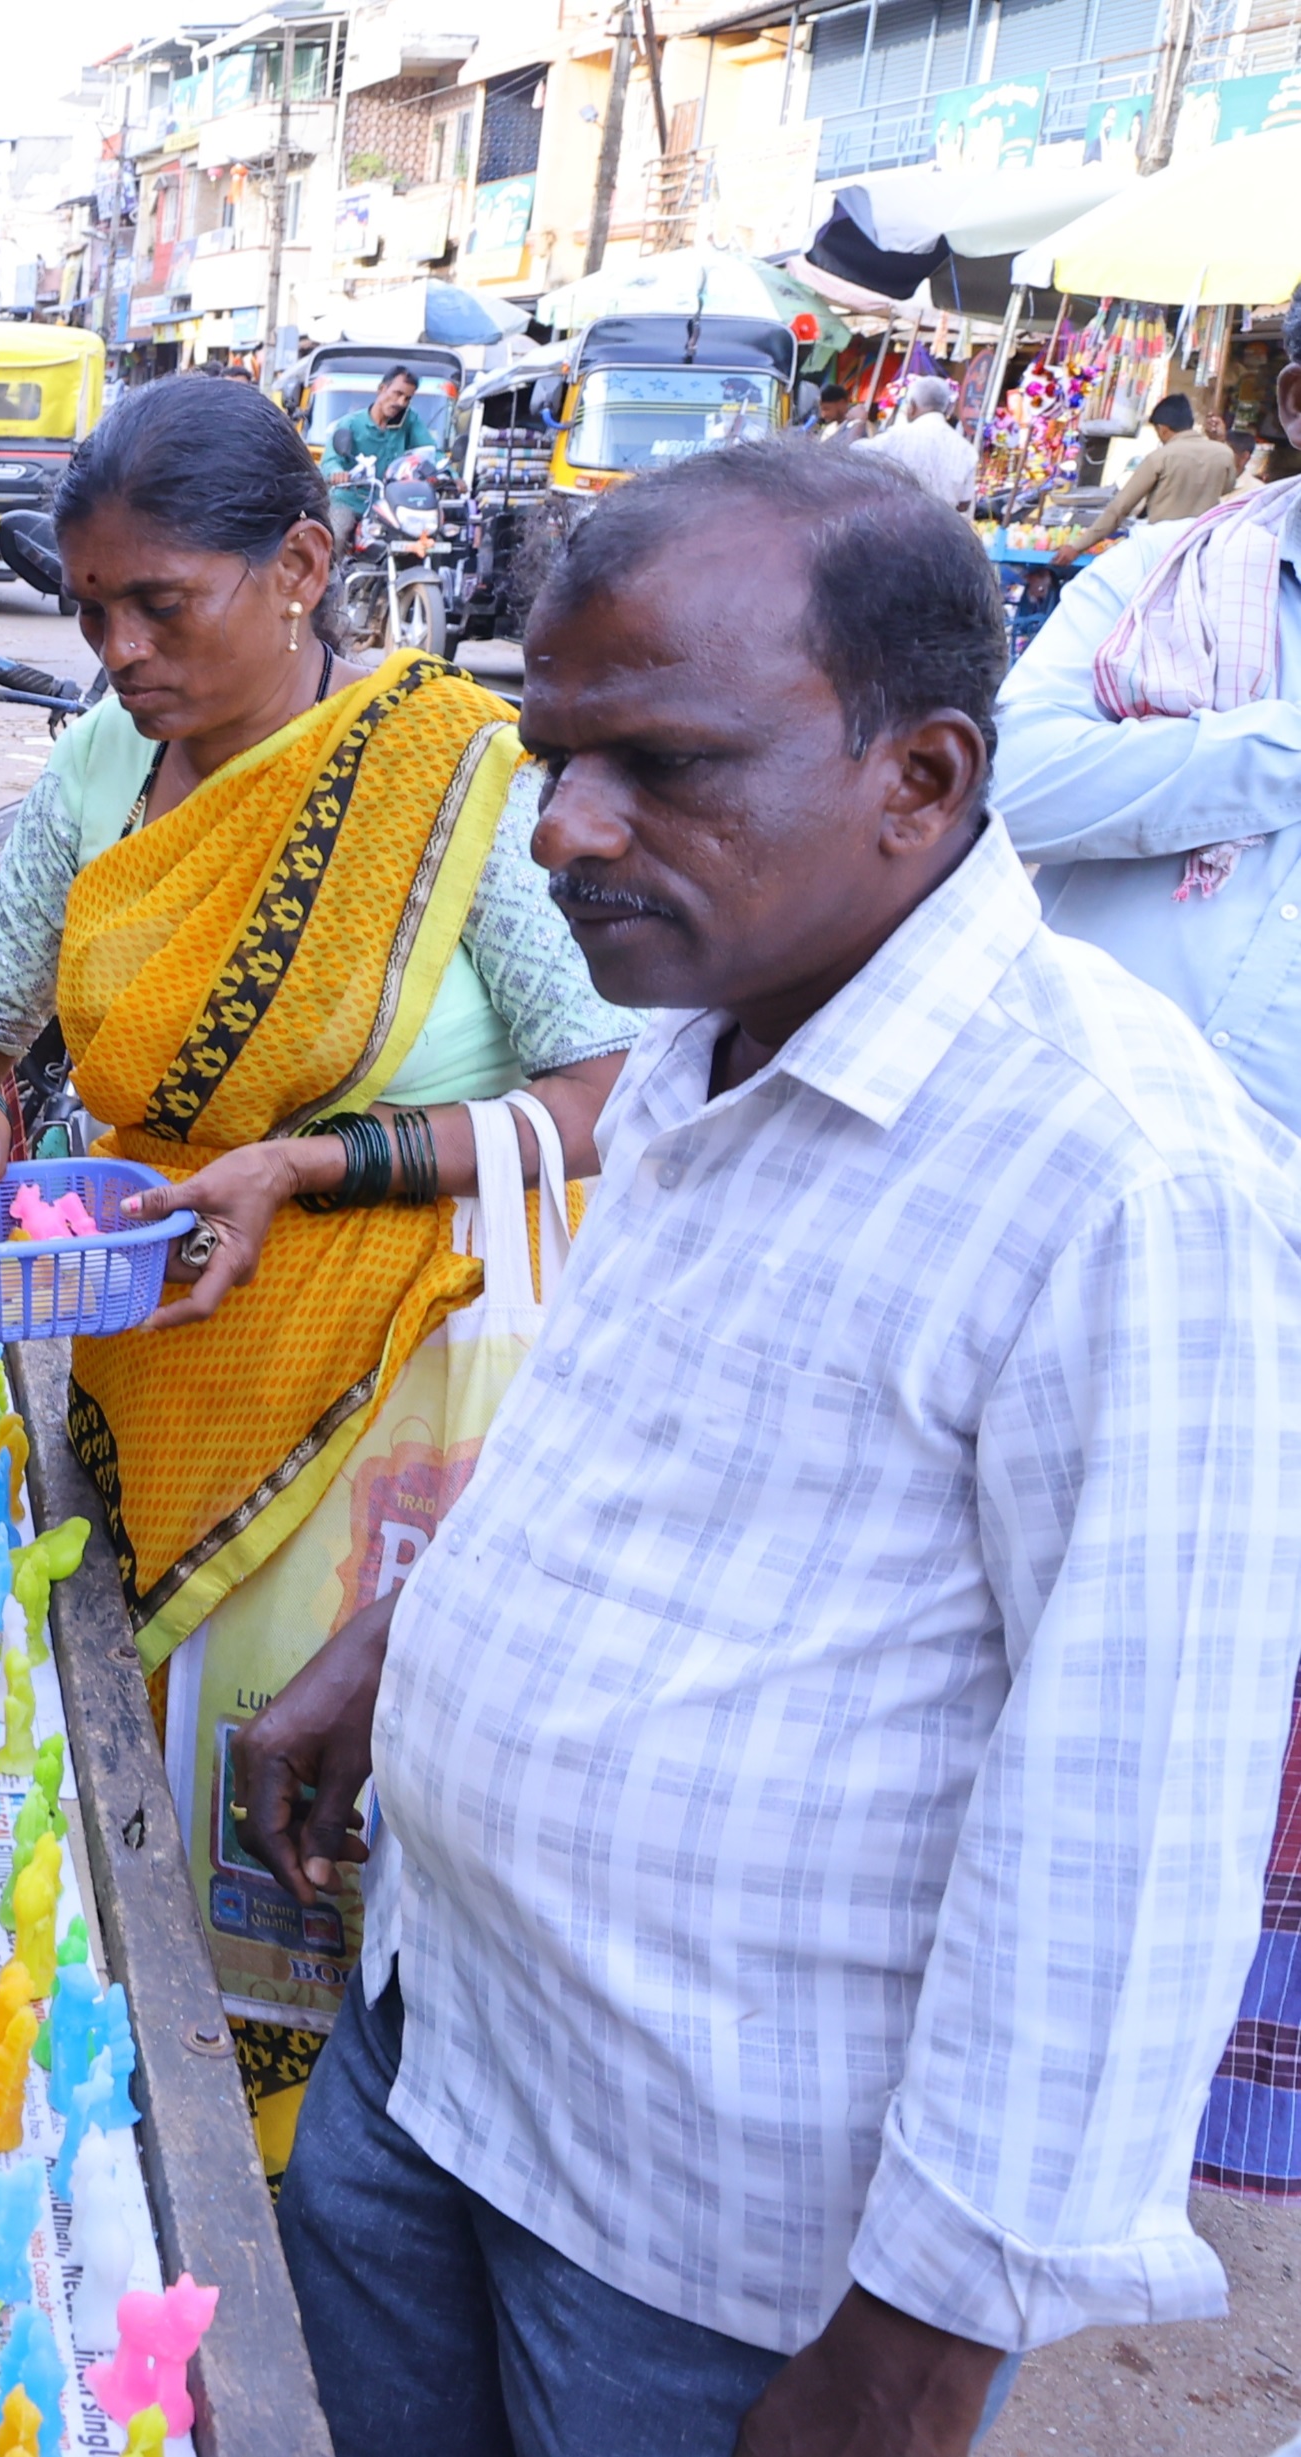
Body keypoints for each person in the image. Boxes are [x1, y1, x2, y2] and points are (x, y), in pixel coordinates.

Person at [238, 439, 1301, 2457]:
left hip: (710, 2241)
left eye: (660, 761)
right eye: (550, 754)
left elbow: (1125, 1830)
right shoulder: (699, 1023)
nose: (562, 828)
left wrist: (908, 2355)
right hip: (436, 2045)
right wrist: (405, 1642)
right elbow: (615, 1424)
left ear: (917, 778)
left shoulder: (1116, 1179)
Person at [0, 375, 632, 2139]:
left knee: (319, 1805)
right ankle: (182, 2144)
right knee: (150, 1771)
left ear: (299, 562)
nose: (119, 648)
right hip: (154, 1351)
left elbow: (607, 1087)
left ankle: (342, 2185)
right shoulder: (94, 764)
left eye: (163, 603)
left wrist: (314, 1161)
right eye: (89, 611)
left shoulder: (444, 766)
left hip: (392, 1377)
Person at [991, 286, 1301, 2198]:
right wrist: (1270, 753)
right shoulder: (1155, 584)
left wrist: (1176, 761)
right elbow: (1017, 786)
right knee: (1088, 1637)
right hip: (1122, 1220)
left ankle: (1227, 2092)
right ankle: (1058, 2070)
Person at [1055, 389, 1242, 565]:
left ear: (1162, 429)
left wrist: (1077, 547)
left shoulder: (1160, 457)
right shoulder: (1224, 453)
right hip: (1203, 548)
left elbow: (1119, 508)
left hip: (1161, 550)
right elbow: (1227, 488)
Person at [321, 364, 441, 533]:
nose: (401, 402)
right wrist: (337, 473)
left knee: (429, 535)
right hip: (351, 501)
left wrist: (449, 474)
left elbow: (431, 451)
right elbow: (330, 461)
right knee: (337, 535)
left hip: (391, 503)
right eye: (398, 394)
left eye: (407, 398)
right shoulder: (350, 423)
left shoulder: (409, 420)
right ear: (382, 389)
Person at [860, 372, 978, 507]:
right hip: (942, 525)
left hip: (897, 521)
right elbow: (964, 504)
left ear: (912, 407)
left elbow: (850, 456)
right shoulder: (966, 449)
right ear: (946, 409)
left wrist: (856, 422)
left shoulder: (895, 437)